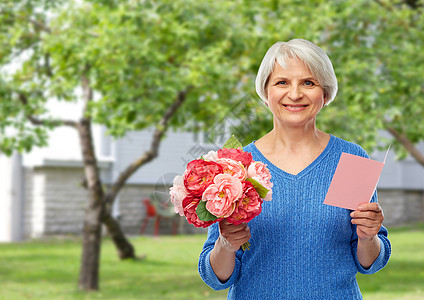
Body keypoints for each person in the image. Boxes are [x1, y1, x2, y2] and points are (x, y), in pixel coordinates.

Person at [198, 39, 391, 299]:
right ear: (266, 93)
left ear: (325, 94)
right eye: (282, 82)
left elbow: (370, 263)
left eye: (308, 83)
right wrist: (226, 244)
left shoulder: (351, 158)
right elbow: (216, 278)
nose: (295, 93)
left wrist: (368, 238)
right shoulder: (237, 165)